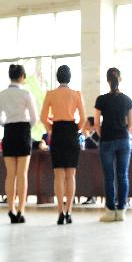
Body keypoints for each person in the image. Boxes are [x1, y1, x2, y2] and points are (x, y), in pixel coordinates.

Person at [40, 65, 87, 225]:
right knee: (71, 175)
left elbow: (43, 117)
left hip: (58, 132)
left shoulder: (51, 94)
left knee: (59, 175)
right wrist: (76, 129)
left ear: (57, 77)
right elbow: (83, 119)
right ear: (70, 77)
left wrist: (50, 128)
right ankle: (69, 211)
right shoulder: (76, 94)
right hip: (71, 131)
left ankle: (60, 212)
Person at [0, 64, 37, 224]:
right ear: (22, 77)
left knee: (10, 174)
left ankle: (10, 208)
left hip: (9, 131)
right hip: (23, 131)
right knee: (22, 174)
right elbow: (34, 117)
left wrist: (6, 124)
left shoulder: (2, 94)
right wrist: (26, 127)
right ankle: (21, 210)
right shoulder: (26, 93)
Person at [94, 67, 132, 223]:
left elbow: (97, 123)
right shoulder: (127, 99)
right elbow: (130, 123)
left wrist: (102, 135)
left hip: (107, 141)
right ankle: (121, 211)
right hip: (124, 140)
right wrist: (124, 134)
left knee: (109, 177)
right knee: (122, 175)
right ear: (120, 79)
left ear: (107, 80)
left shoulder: (101, 100)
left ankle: (110, 211)